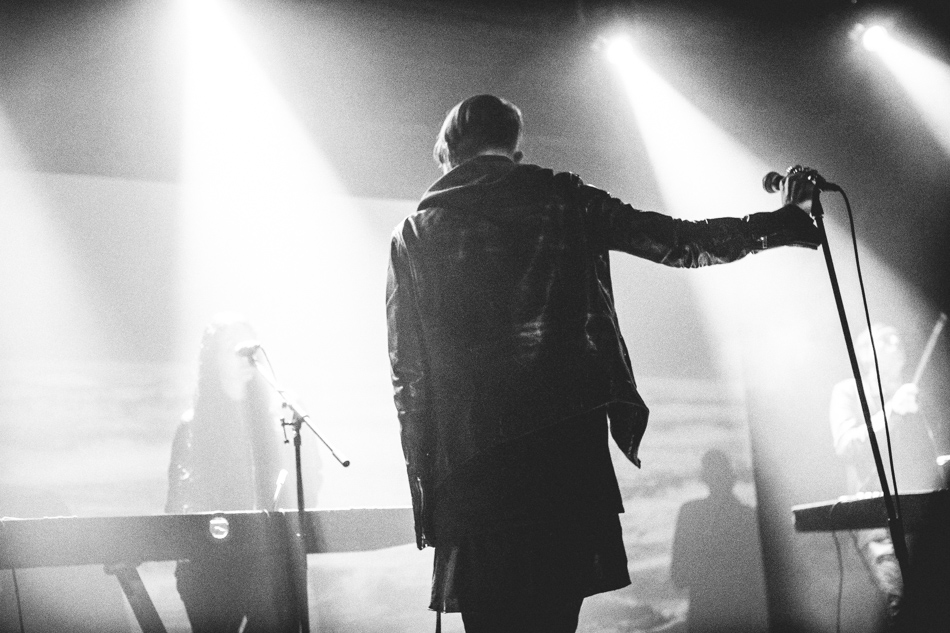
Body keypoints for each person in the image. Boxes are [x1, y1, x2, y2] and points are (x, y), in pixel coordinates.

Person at [386, 94, 820, 632]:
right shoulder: (563, 197)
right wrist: (784, 221)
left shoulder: (413, 234)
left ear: (447, 152)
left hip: (474, 468)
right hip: (564, 454)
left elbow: (408, 377)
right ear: (515, 151)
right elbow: (679, 242)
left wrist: (427, 491)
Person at [165, 313, 299, 633]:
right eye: (232, 347)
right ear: (214, 359)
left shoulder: (272, 423)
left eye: (248, 346)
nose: (244, 354)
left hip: (264, 565)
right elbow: (178, 504)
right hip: (210, 568)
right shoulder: (193, 426)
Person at [829, 324, 944, 631]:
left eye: (897, 338)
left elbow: (927, 454)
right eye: (885, 339)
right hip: (878, 516)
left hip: (923, 513)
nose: (896, 342)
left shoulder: (914, 394)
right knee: (902, 602)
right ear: (865, 353)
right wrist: (891, 412)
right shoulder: (848, 392)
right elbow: (846, 446)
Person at [670, 449, 767, 633]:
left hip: (705, 615)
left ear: (705, 479)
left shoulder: (690, 513)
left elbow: (679, 576)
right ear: (732, 478)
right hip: (742, 615)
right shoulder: (749, 517)